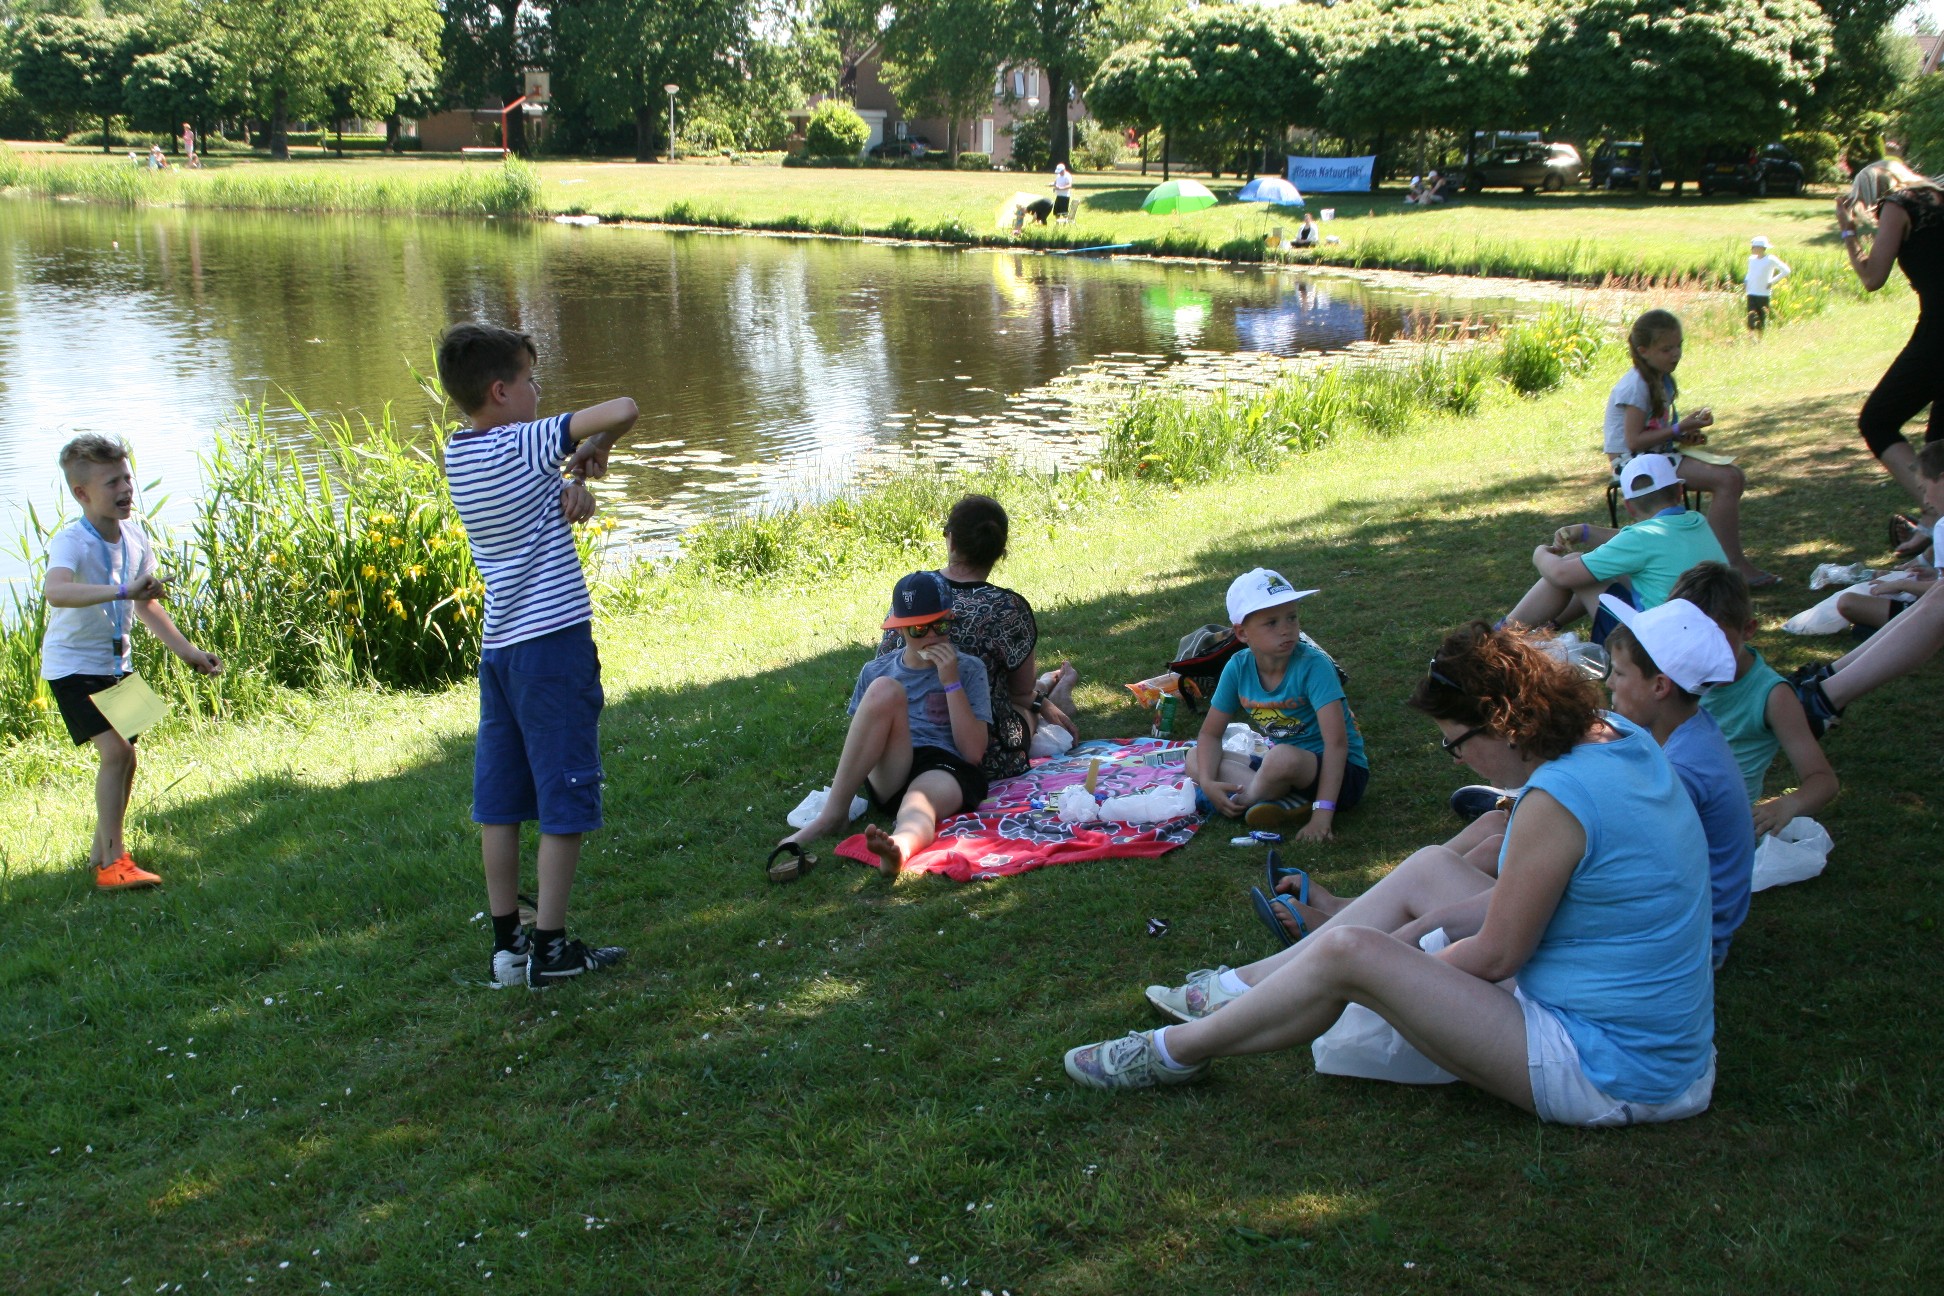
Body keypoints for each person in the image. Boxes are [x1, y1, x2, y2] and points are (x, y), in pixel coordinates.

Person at [1069, 622, 1716, 1128]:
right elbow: (1530, 908)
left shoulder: (1555, 801)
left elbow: (1497, 954)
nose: (1457, 760)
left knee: (1352, 953)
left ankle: (1174, 1051)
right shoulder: (1615, 735)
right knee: (1429, 869)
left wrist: (1387, 970)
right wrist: (1408, 941)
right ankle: (1242, 987)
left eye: (1456, 743)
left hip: (1610, 1069)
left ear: (1504, 725)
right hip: (1642, 1033)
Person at [436, 322, 637, 988]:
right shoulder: (523, 442)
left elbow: (535, 498)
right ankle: (550, 950)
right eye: (528, 379)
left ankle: (509, 946)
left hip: (501, 651)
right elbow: (625, 407)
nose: (538, 390)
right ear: (500, 391)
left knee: (499, 800)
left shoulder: (460, 453)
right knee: (563, 793)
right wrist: (600, 445)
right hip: (553, 648)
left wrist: (570, 488)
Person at [39, 435, 224, 889]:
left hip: (116, 665)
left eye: (127, 477)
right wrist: (123, 590)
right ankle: (114, 865)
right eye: (112, 483)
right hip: (73, 667)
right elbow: (56, 591)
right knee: (116, 753)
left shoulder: (136, 537)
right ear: (82, 493)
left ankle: (101, 854)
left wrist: (191, 653)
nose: (126, 489)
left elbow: (147, 606)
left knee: (129, 758)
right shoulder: (72, 542)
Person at [777, 571, 990, 876]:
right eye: (919, 629)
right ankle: (832, 815)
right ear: (900, 629)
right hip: (892, 766)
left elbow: (973, 753)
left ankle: (899, 848)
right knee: (884, 688)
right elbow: (862, 743)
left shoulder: (968, 668)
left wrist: (951, 682)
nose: (932, 637)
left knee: (919, 803)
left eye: (941, 626)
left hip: (945, 767)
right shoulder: (876, 670)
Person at [875, 494, 1076, 784]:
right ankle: (1053, 688)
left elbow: (884, 667)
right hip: (977, 752)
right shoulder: (1007, 607)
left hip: (900, 744)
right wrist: (1040, 704)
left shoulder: (911, 595)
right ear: (1000, 551)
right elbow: (1020, 692)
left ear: (951, 540)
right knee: (1025, 706)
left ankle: (1049, 684)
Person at [1599, 595, 1753, 969]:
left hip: (1683, 941)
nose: (1609, 682)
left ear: (1660, 687)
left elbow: (1628, 864)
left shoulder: (1682, 769)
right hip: (1682, 921)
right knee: (1497, 840)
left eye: (1619, 673)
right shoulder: (1689, 727)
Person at [1188, 569, 1369, 840]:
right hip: (1279, 771)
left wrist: (1323, 813)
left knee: (1280, 757)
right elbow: (1210, 735)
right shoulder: (1238, 667)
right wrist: (1208, 782)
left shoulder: (1314, 665)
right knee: (1195, 757)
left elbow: (1337, 744)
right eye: (1271, 623)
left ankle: (1245, 800)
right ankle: (1281, 802)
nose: (1286, 629)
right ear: (1242, 633)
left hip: (1342, 774)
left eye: (1292, 617)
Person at [1603, 309, 1772, 585]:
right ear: (1643, 351)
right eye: (1666, 349)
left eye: (1679, 346)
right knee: (1728, 479)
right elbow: (1633, 441)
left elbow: (1654, 432)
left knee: (1734, 476)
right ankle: (1728, 565)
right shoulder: (1636, 386)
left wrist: (1683, 436)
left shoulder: (1661, 379)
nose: (1676, 354)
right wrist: (1678, 429)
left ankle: (1720, 562)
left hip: (1654, 454)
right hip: (1633, 463)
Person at [1670, 562, 1839, 835]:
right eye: (1688, 640)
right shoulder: (1673, 669)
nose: (1701, 653)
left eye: (1715, 641)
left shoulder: (1772, 695)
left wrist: (1786, 805)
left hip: (1718, 829)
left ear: (1748, 629)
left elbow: (1823, 781)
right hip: (1668, 805)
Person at [1503, 453, 1728, 640]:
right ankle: (1539, 631)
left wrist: (1539, 554)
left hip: (1656, 649)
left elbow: (1561, 574)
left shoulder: (1639, 539)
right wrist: (1585, 531)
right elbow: (1636, 541)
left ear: (1628, 506)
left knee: (1576, 567)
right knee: (1592, 569)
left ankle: (1500, 638)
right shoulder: (1696, 521)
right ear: (1679, 491)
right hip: (1711, 637)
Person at [1837, 159, 1944, 546]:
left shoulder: (1898, 204)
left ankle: (1938, 515)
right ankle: (1932, 533)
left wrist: (1848, 230)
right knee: (1938, 442)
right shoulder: (1938, 198)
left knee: (1877, 420)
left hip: (1939, 333)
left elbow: (1872, 278)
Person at [1744, 236, 1790, 331]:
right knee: (1751, 317)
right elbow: (1750, 272)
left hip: (1763, 293)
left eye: (1753, 247)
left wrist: (1772, 281)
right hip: (1751, 291)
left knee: (1761, 317)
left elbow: (1786, 270)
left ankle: (1760, 336)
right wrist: (1746, 281)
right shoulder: (1751, 259)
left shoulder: (1770, 259)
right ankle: (1750, 336)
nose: (1751, 249)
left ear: (1761, 248)